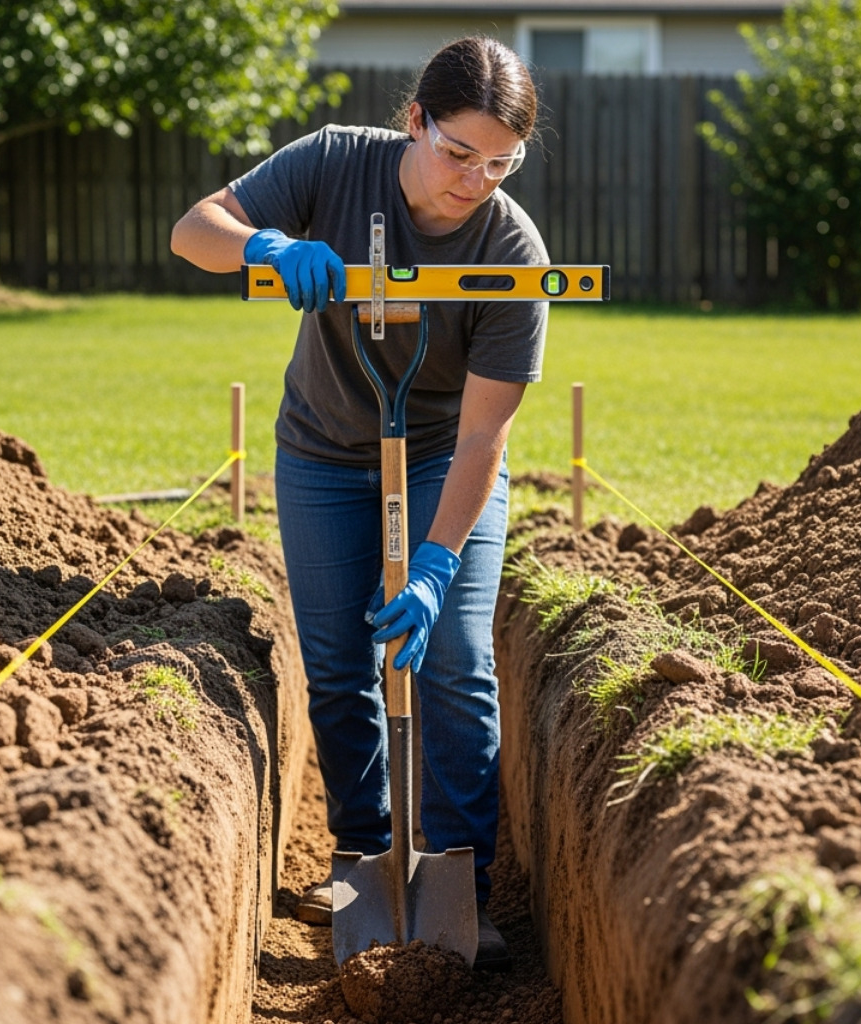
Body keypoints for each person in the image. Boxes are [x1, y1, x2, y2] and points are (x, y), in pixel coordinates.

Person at [170, 36, 547, 972]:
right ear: (415, 120)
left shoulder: (511, 252)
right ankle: (363, 857)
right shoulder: (337, 161)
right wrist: (264, 244)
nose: (476, 181)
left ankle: (461, 883)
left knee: (455, 658)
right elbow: (194, 229)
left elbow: (484, 436)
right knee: (340, 666)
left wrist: (435, 565)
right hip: (322, 450)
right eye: (459, 153)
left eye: (501, 163)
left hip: (443, 457)